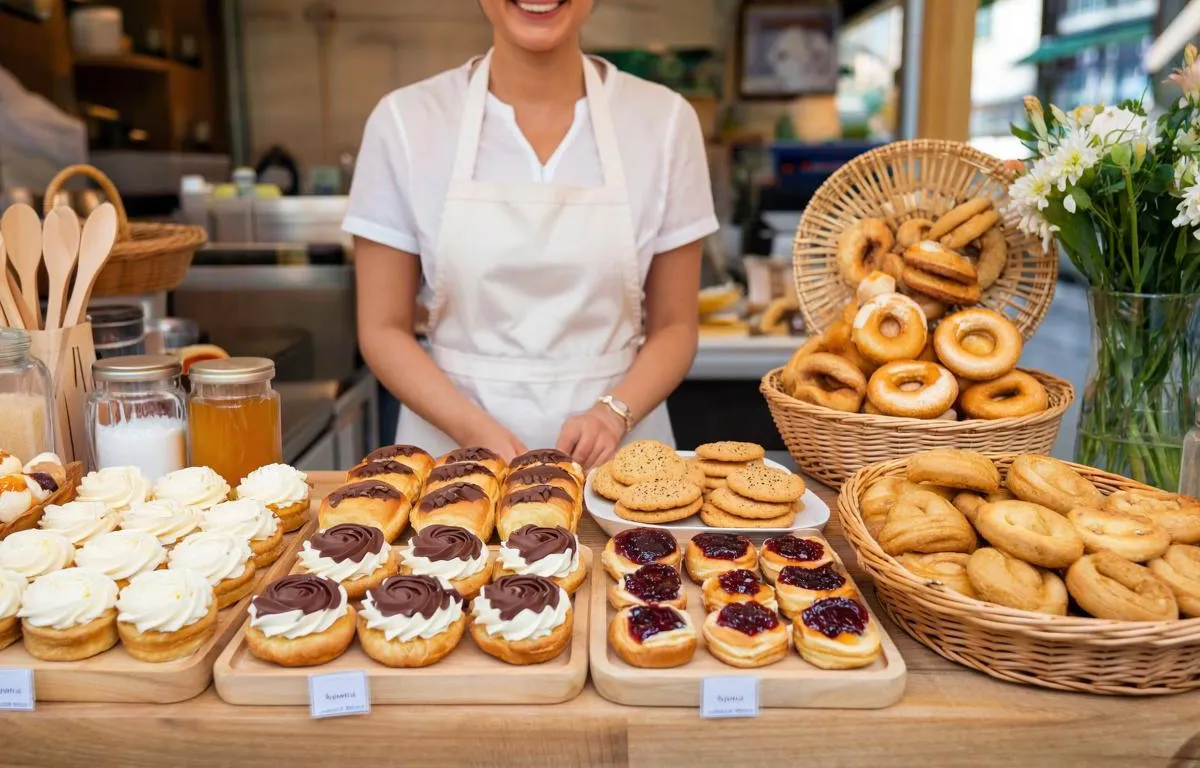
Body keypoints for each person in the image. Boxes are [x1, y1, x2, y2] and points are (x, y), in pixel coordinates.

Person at [344, 0, 718, 468]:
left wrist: (612, 414)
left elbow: (676, 326)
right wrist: (472, 430)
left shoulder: (665, 122)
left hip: (622, 467)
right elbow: (382, 328)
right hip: (453, 465)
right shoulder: (405, 121)